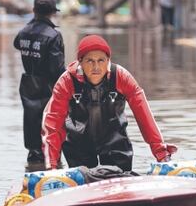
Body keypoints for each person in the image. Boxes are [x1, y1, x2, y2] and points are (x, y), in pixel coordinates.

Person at [41, 35, 176, 171]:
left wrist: (161, 154)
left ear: (108, 61)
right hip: (79, 144)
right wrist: (51, 166)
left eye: (101, 60)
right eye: (90, 61)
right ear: (80, 62)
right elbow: (52, 125)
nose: (96, 66)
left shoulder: (122, 77)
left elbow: (144, 117)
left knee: (121, 182)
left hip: (115, 141)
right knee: (83, 183)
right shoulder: (66, 81)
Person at [13, 0, 66, 165]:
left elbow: (17, 43)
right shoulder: (53, 36)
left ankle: (33, 164)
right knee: (51, 127)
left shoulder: (24, 32)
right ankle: (53, 167)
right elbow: (57, 69)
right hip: (48, 87)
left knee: (31, 123)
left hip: (28, 85)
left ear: (34, 9)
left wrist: (32, 23)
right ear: (53, 12)